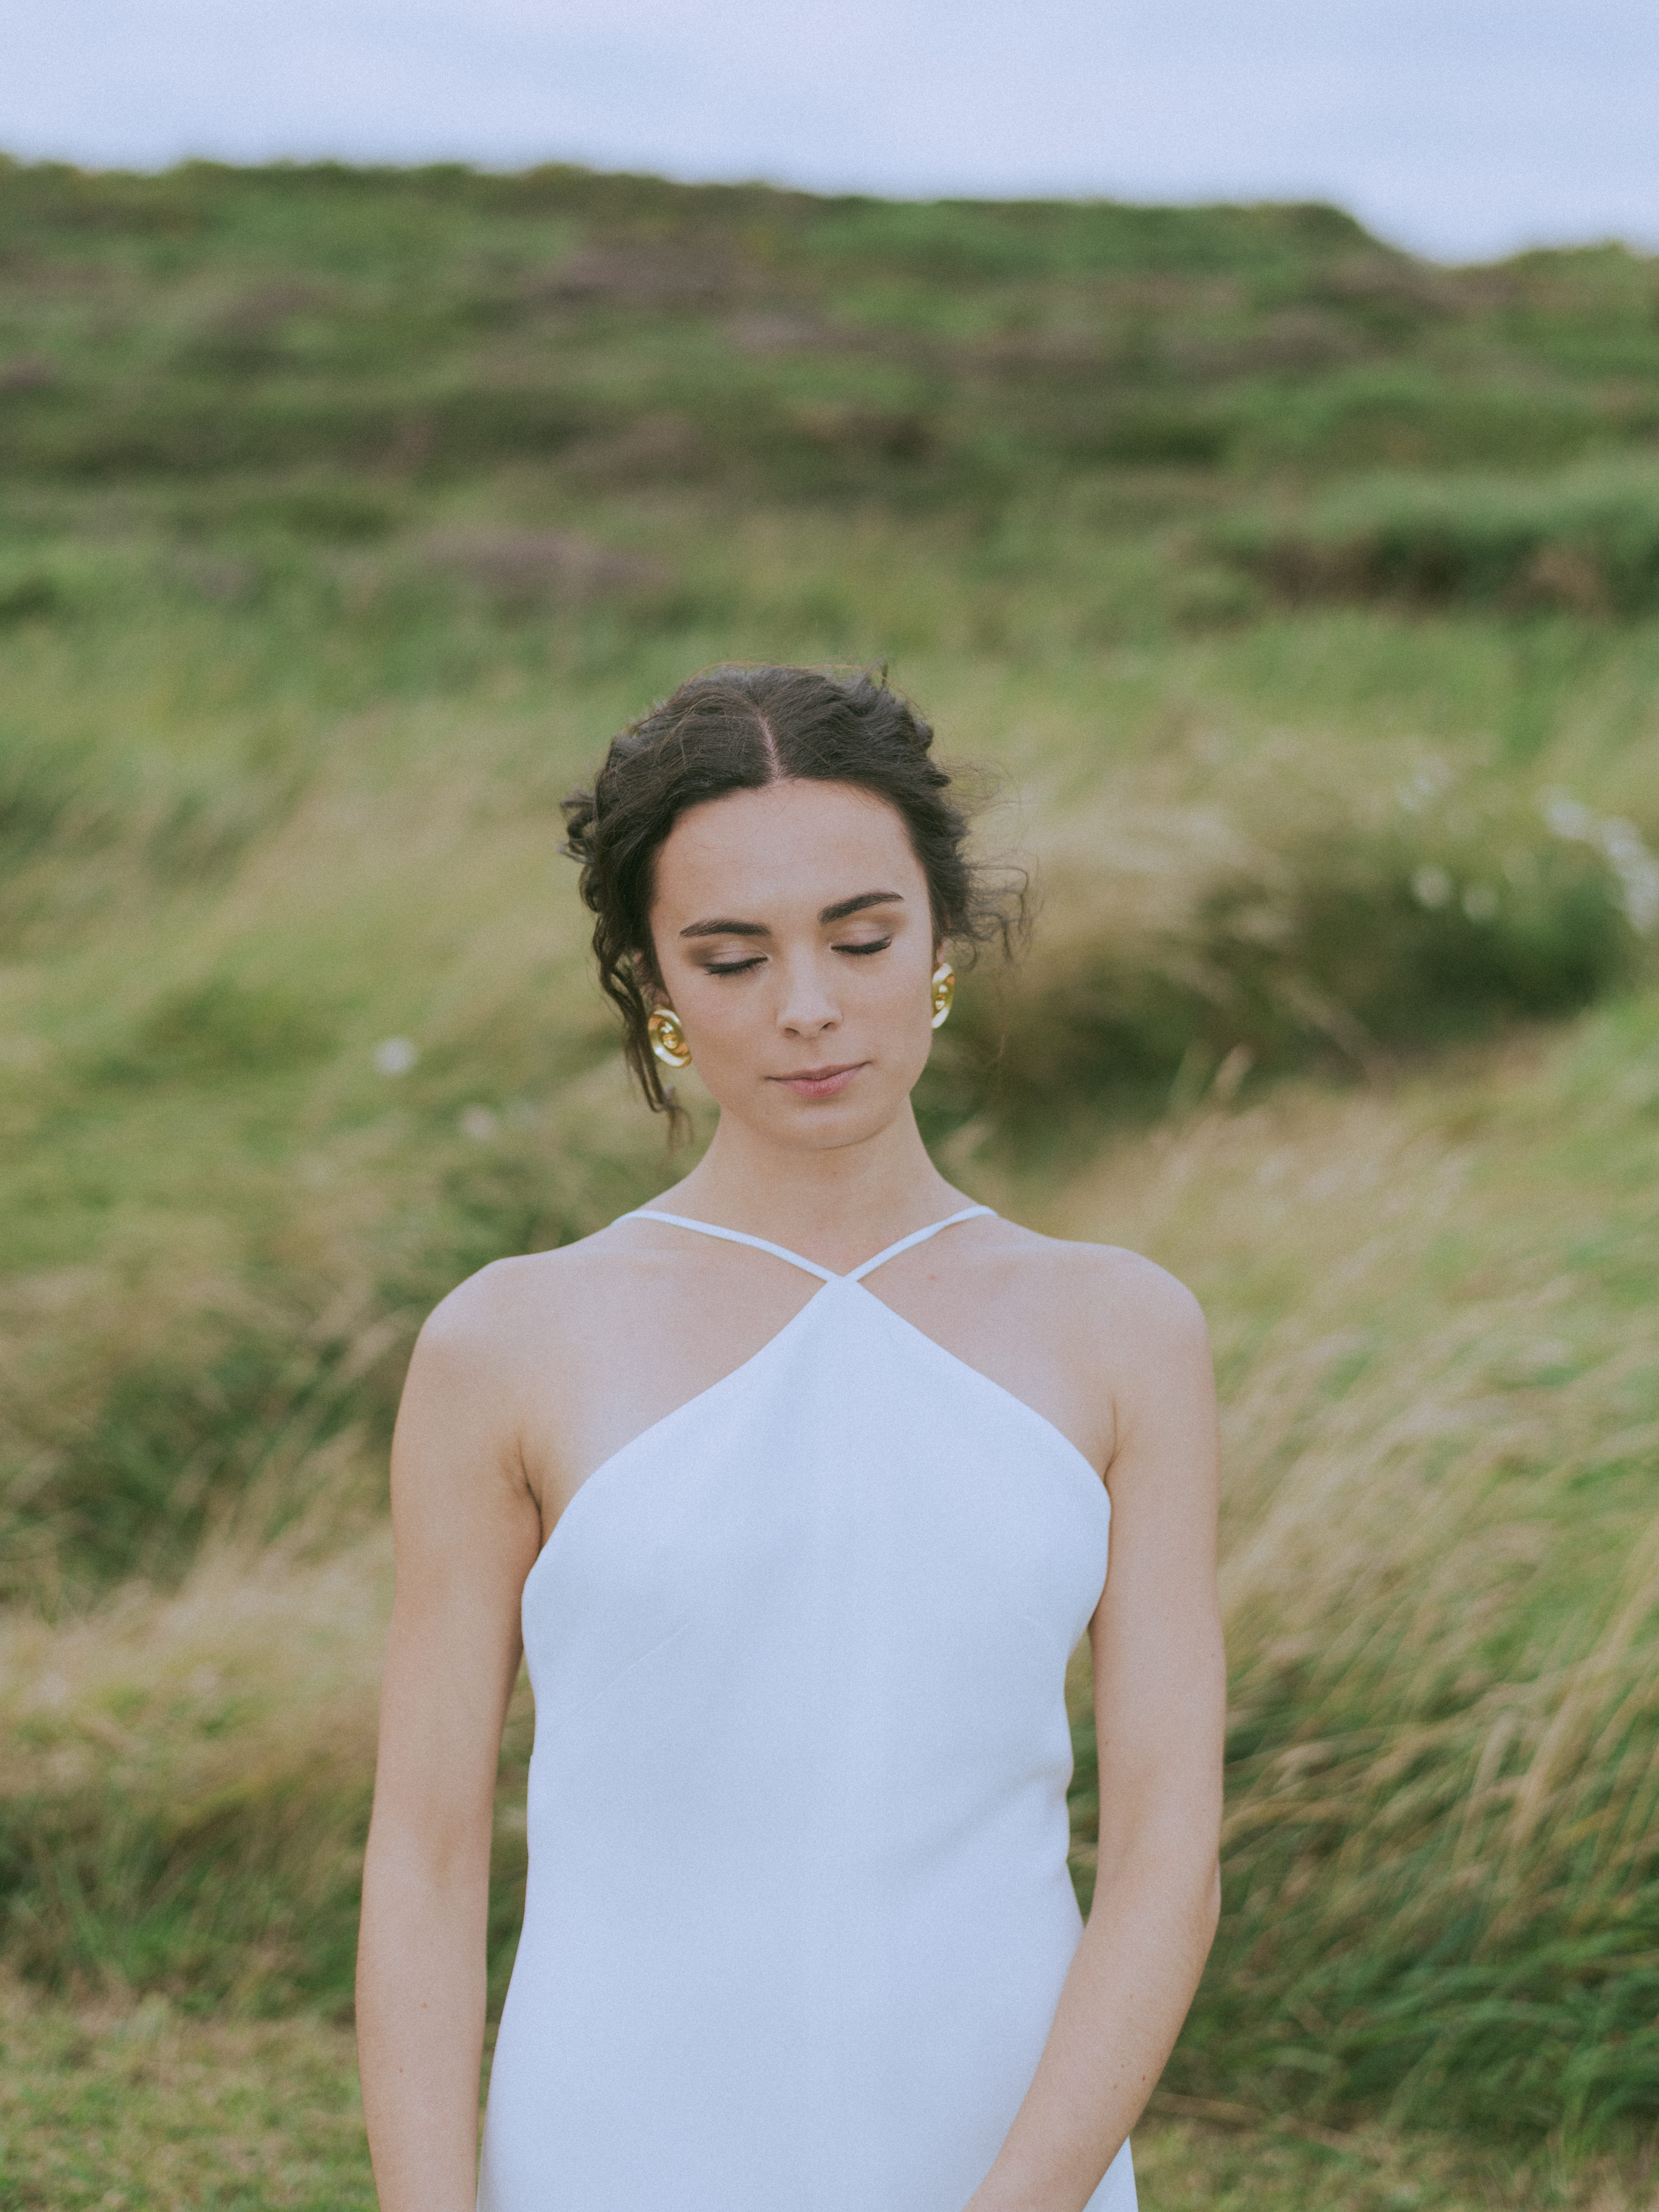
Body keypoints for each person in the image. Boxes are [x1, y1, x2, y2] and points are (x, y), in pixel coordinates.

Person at [356, 665, 1224, 2212]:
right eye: (733, 957)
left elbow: (1165, 1848)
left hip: (1006, 2160)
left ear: (941, 943)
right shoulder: (508, 1341)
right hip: (604, 2153)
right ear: (654, 987)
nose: (809, 1007)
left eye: (861, 937)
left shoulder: (1121, 1332)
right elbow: (423, 1859)